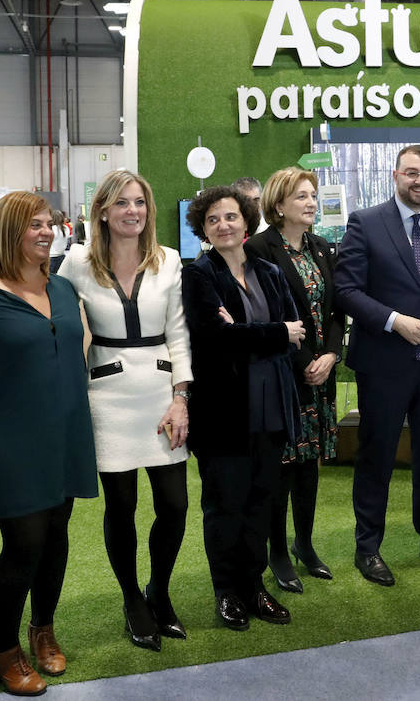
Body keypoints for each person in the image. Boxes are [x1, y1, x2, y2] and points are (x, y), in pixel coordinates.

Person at [0, 191, 98, 696]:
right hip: (8, 440)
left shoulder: (63, 288)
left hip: (66, 431)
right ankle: (4, 649)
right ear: (10, 231)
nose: (46, 232)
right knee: (23, 545)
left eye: (49, 224)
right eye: (34, 225)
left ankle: (43, 629)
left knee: (57, 535)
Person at [57, 171, 192, 651]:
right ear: (103, 212)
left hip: (161, 393)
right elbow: (58, 326)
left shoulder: (170, 261)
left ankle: (160, 589)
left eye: (139, 202)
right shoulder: (75, 263)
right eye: (121, 204)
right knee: (122, 505)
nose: (132, 211)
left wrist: (181, 397)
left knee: (175, 503)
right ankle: (132, 598)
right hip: (106, 395)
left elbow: (178, 332)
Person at [334, 144, 420, 586]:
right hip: (385, 362)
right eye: (412, 172)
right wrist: (394, 322)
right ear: (396, 175)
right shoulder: (366, 222)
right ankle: (367, 546)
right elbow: (347, 290)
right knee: (377, 456)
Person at [180, 186, 303, 630]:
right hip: (223, 413)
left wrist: (250, 333)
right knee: (225, 506)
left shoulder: (269, 271)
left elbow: (298, 330)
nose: (223, 225)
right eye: (213, 220)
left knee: (260, 503)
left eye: (230, 217)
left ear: (247, 223)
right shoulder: (199, 275)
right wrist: (271, 334)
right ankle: (226, 592)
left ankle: (254, 587)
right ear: (204, 230)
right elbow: (214, 339)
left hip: (272, 406)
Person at [245, 167, 345, 593]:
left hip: (320, 374)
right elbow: (267, 314)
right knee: (281, 468)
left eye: (312, 195)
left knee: (309, 466)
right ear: (278, 204)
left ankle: (304, 543)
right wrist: (307, 359)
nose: (310, 202)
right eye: (301, 196)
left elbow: (337, 310)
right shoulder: (260, 249)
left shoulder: (322, 248)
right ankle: (278, 552)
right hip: (285, 375)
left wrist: (331, 354)